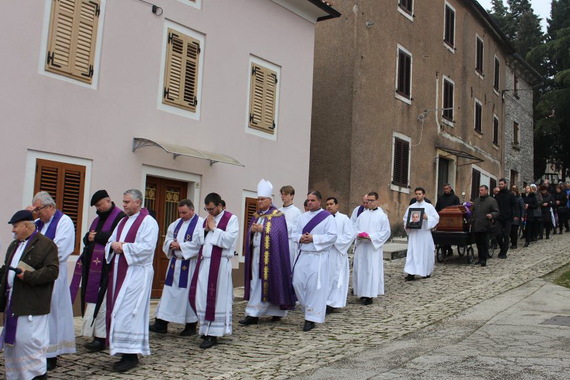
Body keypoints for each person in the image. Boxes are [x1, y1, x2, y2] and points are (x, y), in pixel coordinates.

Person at [0, 210, 59, 380]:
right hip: (13, 302)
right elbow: (7, 269)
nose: (13, 230)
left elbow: (52, 272)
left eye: (15, 226)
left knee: (30, 345)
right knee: (14, 345)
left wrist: (28, 276)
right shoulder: (14, 245)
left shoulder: (46, 244)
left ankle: (36, 376)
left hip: (32, 304)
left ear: (26, 226)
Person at [105, 189, 159, 372]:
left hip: (137, 274)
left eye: (127, 201)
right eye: (124, 201)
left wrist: (123, 247)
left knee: (129, 313)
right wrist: (113, 246)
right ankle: (123, 351)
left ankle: (131, 355)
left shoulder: (148, 222)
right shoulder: (122, 221)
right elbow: (110, 243)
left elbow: (147, 248)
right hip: (120, 272)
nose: (124, 204)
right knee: (119, 311)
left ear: (138, 202)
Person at [70, 190, 125, 352]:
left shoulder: (120, 218)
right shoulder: (97, 219)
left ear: (108, 201)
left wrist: (97, 237)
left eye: (100, 205)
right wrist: (88, 237)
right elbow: (89, 238)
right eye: (96, 206)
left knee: (103, 304)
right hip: (93, 267)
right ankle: (94, 334)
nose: (98, 208)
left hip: (108, 267)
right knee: (93, 301)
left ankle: (102, 337)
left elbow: (116, 239)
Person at [29, 191, 76, 370]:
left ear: (50, 206)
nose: (37, 213)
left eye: (39, 209)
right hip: (37, 273)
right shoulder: (37, 224)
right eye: (35, 210)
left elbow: (61, 249)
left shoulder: (64, 222)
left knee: (52, 311)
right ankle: (37, 350)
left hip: (53, 273)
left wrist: (37, 260)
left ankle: (51, 354)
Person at [240, 180, 296, 325]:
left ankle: (274, 312)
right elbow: (249, 235)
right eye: (258, 199)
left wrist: (263, 230)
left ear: (270, 200)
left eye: (262, 199)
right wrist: (251, 232)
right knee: (256, 283)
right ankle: (253, 312)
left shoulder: (278, 215)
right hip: (257, 254)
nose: (259, 202)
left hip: (272, 256)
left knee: (273, 281)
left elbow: (280, 234)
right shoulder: (256, 215)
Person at [189, 193, 239, 349]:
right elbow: (197, 241)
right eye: (206, 209)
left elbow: (229, 240)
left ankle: (213, 334)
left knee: (217, 298)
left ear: (219, 205)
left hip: (220, 265)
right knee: (202, 296)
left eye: (212, 208)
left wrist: (214, 229)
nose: (209, 212)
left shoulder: (231, 219)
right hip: (205, 264)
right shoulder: (206, 220)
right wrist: (205, 230)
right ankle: (205, 329)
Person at [149, 199, 203, 336]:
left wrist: (182, 246)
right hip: (175, 264)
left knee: (188, 295)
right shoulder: (175, 224)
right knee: (168, 293)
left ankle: (190, 325)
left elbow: (200, 244)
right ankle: (161, 323)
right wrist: (170, 244)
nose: (182, 215)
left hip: (190, 264)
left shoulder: (200, 224)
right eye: (180, 213)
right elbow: (166, 239)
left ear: (192, 210)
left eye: (184, 212)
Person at [292, 191, 337, 331]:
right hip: (304, 254)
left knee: (313, 286)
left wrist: (314, 238)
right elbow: (293, 233)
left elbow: (332, 236)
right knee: (297, 282)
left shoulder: (327, 218)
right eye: (308, 200)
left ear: (319, 201)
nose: (309, 202)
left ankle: (310, 318)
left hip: (318, 256)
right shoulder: (302, 217)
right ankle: (309, 309)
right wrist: (300, 238)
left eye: (312, 200)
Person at [353, 192, 391, 305]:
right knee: (361, 269)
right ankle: (361, 292)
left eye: (371, 200)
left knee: (370, 270)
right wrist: (359, 234)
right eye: (368, 200)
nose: (369, 203)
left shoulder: (382, 216)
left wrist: (372, 237)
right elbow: (354, 228)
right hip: (362, 246)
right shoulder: (362, 215)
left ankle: (370, 295)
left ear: (377, 201)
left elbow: (386, 232)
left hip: (372, 247)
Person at [325, 197, 354, 313]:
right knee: (326, 278)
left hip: (337, 253)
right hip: (326, 253)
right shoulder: (324, 218)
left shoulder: (344, 219)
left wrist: (333, 241)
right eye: (327, 204)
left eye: (331, 204)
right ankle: (325, 301)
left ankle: (333, 302)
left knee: (337, 277)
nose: (329, 206)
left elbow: (349, 235)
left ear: (337, 206)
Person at [403, 187, 440, 281]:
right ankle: (411, 272)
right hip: (414, 234)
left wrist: (427, 217)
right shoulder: (411, 207)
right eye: (416, 194)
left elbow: (436, 218)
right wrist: (407, 225)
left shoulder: (429, 206)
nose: (417, 196)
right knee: (413, 252)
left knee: (425, 252)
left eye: (419, 194)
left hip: (424, 233)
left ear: (424, 195)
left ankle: (426, 272)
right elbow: (405, 219)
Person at [470, 185, 500, 267]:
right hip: (476, 225)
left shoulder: (491, 201)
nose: (480, 192)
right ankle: (480, 258)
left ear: (486, 191)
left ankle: (484, 259)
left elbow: (497, 212)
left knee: (484, 243)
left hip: (486, 225)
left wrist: (492, 215)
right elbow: (473, 212)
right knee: (478, 243)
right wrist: (472, 220)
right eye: (479, 190)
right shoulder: (476, 201)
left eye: (482, 190)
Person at [278, 185, 302, 266]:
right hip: (278, 242)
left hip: (289, 243)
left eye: (285, 194)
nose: (283, 196)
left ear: (292, 196)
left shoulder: (297, 212)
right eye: (282, 194)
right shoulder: (278, 211)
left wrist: (281, 225)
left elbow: (295, 229)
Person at [494, 178, 517, 259]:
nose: (500, 186)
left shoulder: (510, 194)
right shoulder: (497, 195)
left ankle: (504, 252)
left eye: (502, 184)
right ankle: (502, 248)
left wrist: (515, 215)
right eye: (499, 184)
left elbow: (515, 205)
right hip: (499, 218)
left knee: (506, 235)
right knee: (498, 234)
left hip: (508, 218)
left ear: (505, 184)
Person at [435, 184, 460, 256]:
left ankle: (449, 249)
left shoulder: (455, 198)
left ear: (450, 189)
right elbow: (437, 208)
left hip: (452, 219)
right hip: (442, 219)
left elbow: (457, 208)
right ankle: (444, 249)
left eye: (447, 188)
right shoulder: (441, 198)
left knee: (449, 235)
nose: (446, 190)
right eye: (444, 189)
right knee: (442, 235)